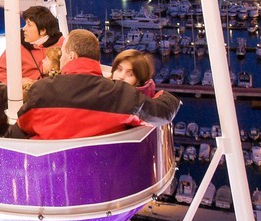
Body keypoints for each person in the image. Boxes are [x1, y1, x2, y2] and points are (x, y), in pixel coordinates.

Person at [12, 29, 181, 139]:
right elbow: (164, 112)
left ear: (71, 56)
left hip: (50, 172)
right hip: (100, 173)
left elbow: (21, 128)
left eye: (62, 54)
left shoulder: (41, 90)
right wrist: (163, 95)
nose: (61, 59)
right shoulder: (122, 95)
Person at [0, 5, 64, 87]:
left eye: (29, 25)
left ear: (42, 31)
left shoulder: (63, 45)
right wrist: (18, 83)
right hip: (24, 93)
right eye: (25, 24)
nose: (24, 29)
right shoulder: (15, 46)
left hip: (56, 91)